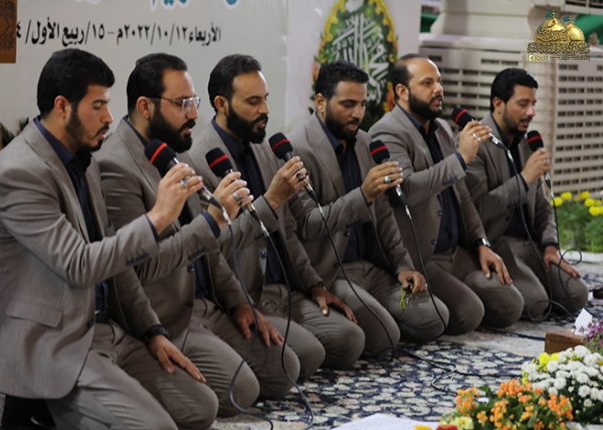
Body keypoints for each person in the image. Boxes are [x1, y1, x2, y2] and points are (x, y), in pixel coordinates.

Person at [0, 48, 217, 430]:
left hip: (107, 331)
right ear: (62, 106)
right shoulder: (19, 172)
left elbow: (116, 264)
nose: (109, 117)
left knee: (201, 407)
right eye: (98, 106)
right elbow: (79, 265)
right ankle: (40, 408)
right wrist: (158, 217)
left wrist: (152, 332)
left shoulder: (83, 159)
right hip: (55, 342)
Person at [94, 53, 300, 414]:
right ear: (145, 106)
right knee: (241, 391)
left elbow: (211, 250)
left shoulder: (176, 152)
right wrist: (214, 219)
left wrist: (238, 302)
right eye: (182, 104)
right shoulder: (116, 165)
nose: (193, 114)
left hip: (207, 304)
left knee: (285, 368)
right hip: (166, 314)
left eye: (194, 102)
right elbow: (138, 268)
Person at [189, 54, 365, 376]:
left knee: (351, 339)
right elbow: (214, 249)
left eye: (265, 99)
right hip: (244, 295)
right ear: (221, 104)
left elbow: (288, 230)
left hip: (284, 289)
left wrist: (313, 285)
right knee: (307, 356)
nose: (265, 110)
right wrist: (270, 200)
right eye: (253, 102)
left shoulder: (264, 149)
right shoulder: (200, 161)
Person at [287, 59, 449, 355]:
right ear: (321, 102)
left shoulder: (365, 142)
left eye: (362, 104)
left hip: (371, 266)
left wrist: (402, 265)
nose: (358, 114)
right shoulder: (296, 149)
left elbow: (384, 214)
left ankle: (374, 320)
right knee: (385, 335)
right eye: (348, 104)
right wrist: (362, 195)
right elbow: (307, 226)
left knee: (436, 317)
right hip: (331, 271)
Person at [368, 54, 524, 333]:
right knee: (469, 313)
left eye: (439, 82)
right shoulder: (386, 132)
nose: (438, 89)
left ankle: (456, 293)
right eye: (427, 83)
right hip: (422, 254)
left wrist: (481, 243)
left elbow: (462, 196)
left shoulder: (440, 128)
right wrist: (461, 158)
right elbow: (406, 190)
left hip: (456, 250)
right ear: (402, 92)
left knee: (512, 304)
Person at [465, 67, 588, 318]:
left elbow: (543, 207)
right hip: (496, 243)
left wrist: (551, 246)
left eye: (533, 104)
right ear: (498, 104)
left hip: (530, 243)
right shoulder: (474, 144)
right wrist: (523, 180)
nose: (531, 112)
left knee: (577, 294)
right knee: (536, 303)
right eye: (523, 104)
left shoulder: (526, 141)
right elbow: (476, 211)